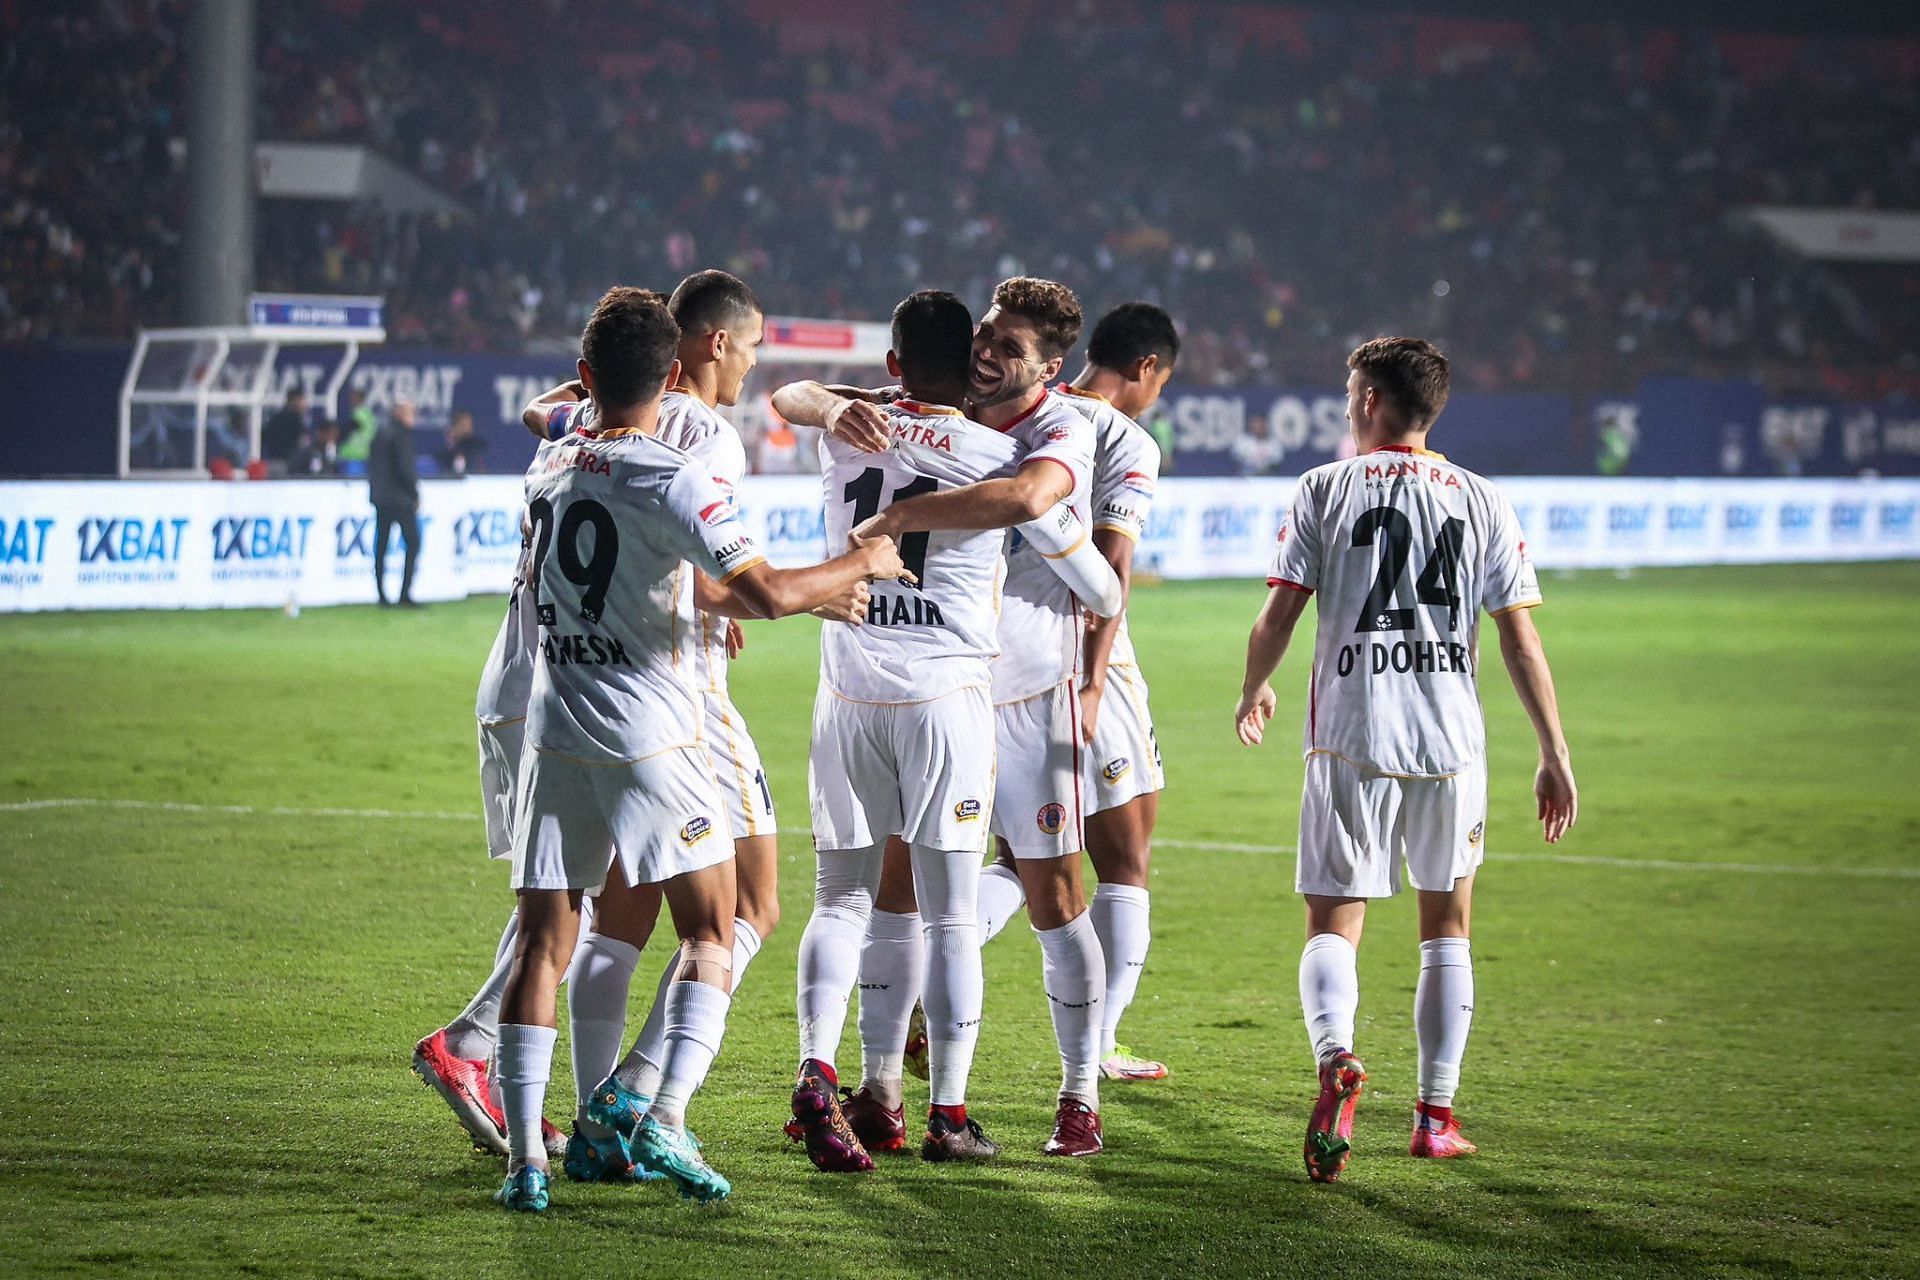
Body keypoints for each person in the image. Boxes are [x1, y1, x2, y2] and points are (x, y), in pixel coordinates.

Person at [490, 286, 910, 1212]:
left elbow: (554, 432)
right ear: (678, 368)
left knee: (543, 946)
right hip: (655, 730)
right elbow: (757, 591)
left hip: (556, 732)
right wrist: (860, 565)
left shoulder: (549, 464)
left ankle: (528, 1163)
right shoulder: (677, 473)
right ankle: (654, 1113)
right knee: (718, 929)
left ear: (590, 375)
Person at [769, 289, 1122, 1170]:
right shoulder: (986, 447)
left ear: (1052, 367)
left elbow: (1046, 508)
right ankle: (909, 1101)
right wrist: (840, 407)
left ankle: (1076, 1092)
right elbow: (1039, 519)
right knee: (931, 909)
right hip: (949, 694)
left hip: (998, 691)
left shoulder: (1059, 433)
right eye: (982, 338)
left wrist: (891, 507)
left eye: (1009, 345)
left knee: (1049, 896)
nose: (989, 354)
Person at [1234, 336, 1578, 1184]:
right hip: (1450, 741)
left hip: (1349, 732)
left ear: (1367, 401)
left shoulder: (1322, 488)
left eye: (1351, 390)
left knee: (1333, 921)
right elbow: (1520, 638)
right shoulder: (1482, 498)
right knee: (1446, 929)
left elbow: (1279, 614)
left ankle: (1337, 1056)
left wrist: (1255, 688)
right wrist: (1554, 752)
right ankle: (1434, 1117)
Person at [967, 302, 1180, 1081]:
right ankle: (1100, 1047)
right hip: (1081, 656)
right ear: (1149, 370)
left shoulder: (1001, 414)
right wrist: (1095, 682)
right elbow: (1112, 565)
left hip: (986, 656)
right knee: (1124, 857)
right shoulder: (1126, 439)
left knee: (1018, 852)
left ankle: (928, 988)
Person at [367, 399, 421, 607]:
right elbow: (405, 468)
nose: (413, 417)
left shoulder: (380, 432)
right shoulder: (401, 436)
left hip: (381, 498)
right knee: (413, 542)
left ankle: (381, 595)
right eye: (410, 412)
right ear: (400, 413)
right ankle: (404, 594)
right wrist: (414, 493)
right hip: (400, 499)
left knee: (382, 544)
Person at [261, 388, 308, 469]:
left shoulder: (276, 417)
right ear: (295, 400)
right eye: (302, 400)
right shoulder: (292, 419)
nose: (305, 404)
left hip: (275, 462)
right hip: (286, 464)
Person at [443, 410, 485, 475]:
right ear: (455, 426)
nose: (467, 429)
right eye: (463, 425)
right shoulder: (448, 450)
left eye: (469, 424)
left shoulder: (478, 445)